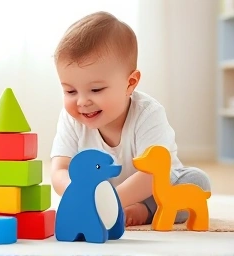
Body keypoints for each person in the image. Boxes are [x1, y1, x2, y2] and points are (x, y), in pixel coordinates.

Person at [49, 11, 211, 226]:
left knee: (196, 182)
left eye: (96, 89)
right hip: (97, 194)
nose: (81, 102)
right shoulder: (71, 119)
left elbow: (151, 175)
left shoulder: (147, 113)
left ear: (130, 83)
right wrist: (78, 195)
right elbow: (60, 169)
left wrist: (111, 201)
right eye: (70, 91)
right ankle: (120, 208)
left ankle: (145, 210)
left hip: (151, 189)